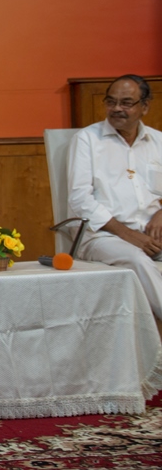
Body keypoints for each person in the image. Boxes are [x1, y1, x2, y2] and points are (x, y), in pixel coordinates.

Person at [67, 74, 162, 319]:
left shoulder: (158, 141)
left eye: (126, 103)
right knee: (138, 259)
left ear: (145, 107)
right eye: (111, 102)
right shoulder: (87, 140)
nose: (117, 108)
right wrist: (129, 235)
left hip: (151, 234)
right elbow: (80, 199)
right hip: (102, 235)